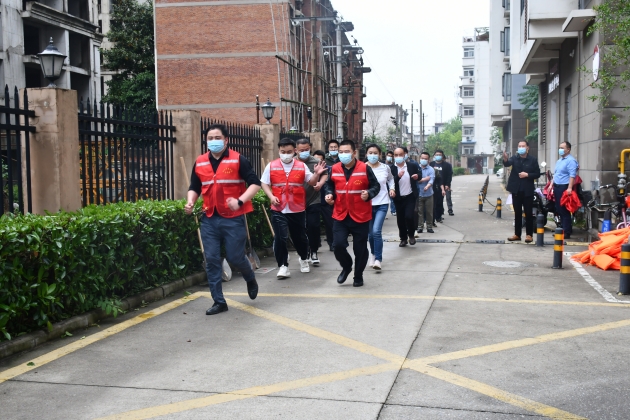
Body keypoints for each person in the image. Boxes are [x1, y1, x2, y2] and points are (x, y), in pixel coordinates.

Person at [185, 124, 261, 316]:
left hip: (233, 218)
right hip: (209, 218)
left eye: (217, 138)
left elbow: (255, 183)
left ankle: (249, 277)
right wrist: (190, 201)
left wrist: (240, 201)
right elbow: (194, 186)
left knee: (235, 257)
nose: (214, 141)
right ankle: (219, 301)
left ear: (226, 140)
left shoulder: (238, 159)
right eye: (210, 138)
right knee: (211, 260)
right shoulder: (200, 162)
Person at [261, 138, 327, 279]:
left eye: (289, 152)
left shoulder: (301, 166)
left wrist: (316, 174)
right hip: (278, 208)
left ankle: (303, 258)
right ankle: (283, 266)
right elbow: (264, 183)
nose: (286, 154)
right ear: (278, 151)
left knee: (299, 237)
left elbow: (311, 182)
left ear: (294, 151)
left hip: (297, 208)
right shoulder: (271, 166)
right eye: (283, 152)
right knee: (280, 238)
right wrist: (271, 197)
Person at [324, 140, 380, 287]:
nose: (343, 154)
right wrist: (329, 194)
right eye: (341, 152)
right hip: (340, 214)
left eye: (346, 152)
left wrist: (369, 193)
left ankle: (358, 275)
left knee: (359, 249)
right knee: (338, 245)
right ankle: (347, 266)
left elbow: (376, 186)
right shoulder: (334, 168)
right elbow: (329, 185)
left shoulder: (365, 168)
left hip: (360, 215)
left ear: (354, 153)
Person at [296, 138, 329, 265]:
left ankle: (314, 251)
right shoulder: (292, 162)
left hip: (313, 199)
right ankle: (305, 250)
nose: (304, 152)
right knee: (300, 228)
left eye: (306, 149)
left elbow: (325, 174)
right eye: (301, 150)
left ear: (310, 148)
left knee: (313, 226)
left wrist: (320, 183)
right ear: (296, 150)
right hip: (296, 201)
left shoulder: (316, 162)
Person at [503, 141, 541, 243]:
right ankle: (517, 234)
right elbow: (507, 163)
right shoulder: (514, 158)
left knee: (528, 213)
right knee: (517, 213)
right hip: (516, 190)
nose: (521, 148)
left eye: (523, 146)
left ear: (527, 147)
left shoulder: (532, 160)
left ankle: (529, 235)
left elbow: (537, 174)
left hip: (527, 190)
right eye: (519, 146)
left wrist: (527, 175)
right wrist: (505, 159)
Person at [365, 143, 395, 270]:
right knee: (370, 234)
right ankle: (373, 254)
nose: (373, 155)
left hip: (382, 203)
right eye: (370, 153)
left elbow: (391, 179)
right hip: (367, 204)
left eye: (375, 153)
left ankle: (378, 259)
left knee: (376, 231)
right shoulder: (362, 168)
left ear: (380, 154)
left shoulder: (385, 168)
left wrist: (392, 188)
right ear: (366, 154)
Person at [390, 146, 420, 247]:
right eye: (396, 155)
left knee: (409, 216)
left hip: (410, 196)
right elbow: (390, 182)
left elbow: (419, 174)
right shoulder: (391, 168)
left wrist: (417, 176)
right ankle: (403, 238)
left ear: (404, 155)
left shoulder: (411, 166)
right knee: (400, 219)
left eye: (400, 155)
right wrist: (398, 176)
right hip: (398, 198)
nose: (398, 157)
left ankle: (411, 235)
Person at [553, 141, 579, 239]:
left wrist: (569, 188)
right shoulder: (559, 161)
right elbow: (556, 174)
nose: (560, 149)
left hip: (564, 187)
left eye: (562, 148)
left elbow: (572, 175)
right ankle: (562, 229)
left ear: (568, 149)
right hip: (557, 186)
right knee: (559, 209)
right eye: (560, 147)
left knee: (564, 210)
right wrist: (551, 185)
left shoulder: (571, 161)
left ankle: (566, 231)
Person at [314, 150, 334, 252]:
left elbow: (331, 185)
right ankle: (316, 244)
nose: (318, 162)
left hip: (326, 200)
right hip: (313, 201)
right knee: (314, 224)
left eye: (320, 160)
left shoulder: (329, 170)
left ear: (324, 160)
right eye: (315, 159)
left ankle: (332, 243)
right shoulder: (310, 169)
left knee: (330, 223)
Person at [417, 152, 435, 233]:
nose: (424, 160)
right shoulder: (417, 168)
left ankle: (429, 226)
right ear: (420, 158)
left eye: (425, 159)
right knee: (419, 211)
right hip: (419, 194)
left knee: (429, 212)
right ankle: (420, 226)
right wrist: (425, 179)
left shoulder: (431, 169)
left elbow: (431, 180)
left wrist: (427, 186)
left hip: (429, 194)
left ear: (428, 160)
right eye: (422, 158)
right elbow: (415, 180)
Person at [430, 150, 449, 225]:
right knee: (432, 203)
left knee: (439, 202)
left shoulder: (446, 165)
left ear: (442, 156)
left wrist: (447, 185)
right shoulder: (431, 164)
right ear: (434, 156)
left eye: (440, 155)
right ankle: (433, 218)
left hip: (441, 186)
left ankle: (438, 216)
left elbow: (449, 176)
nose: (438, 156)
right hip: (432, 186)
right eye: (437, 154)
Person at [386, 150, 396, 216]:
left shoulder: (393, 166)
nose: (389, 157)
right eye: (388, 156)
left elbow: (393, 176)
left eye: (391, 156)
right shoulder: (382, 164)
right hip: (383, 183)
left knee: (392, 197)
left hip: (390, 183)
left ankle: (393, 210)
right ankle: (384, 212)